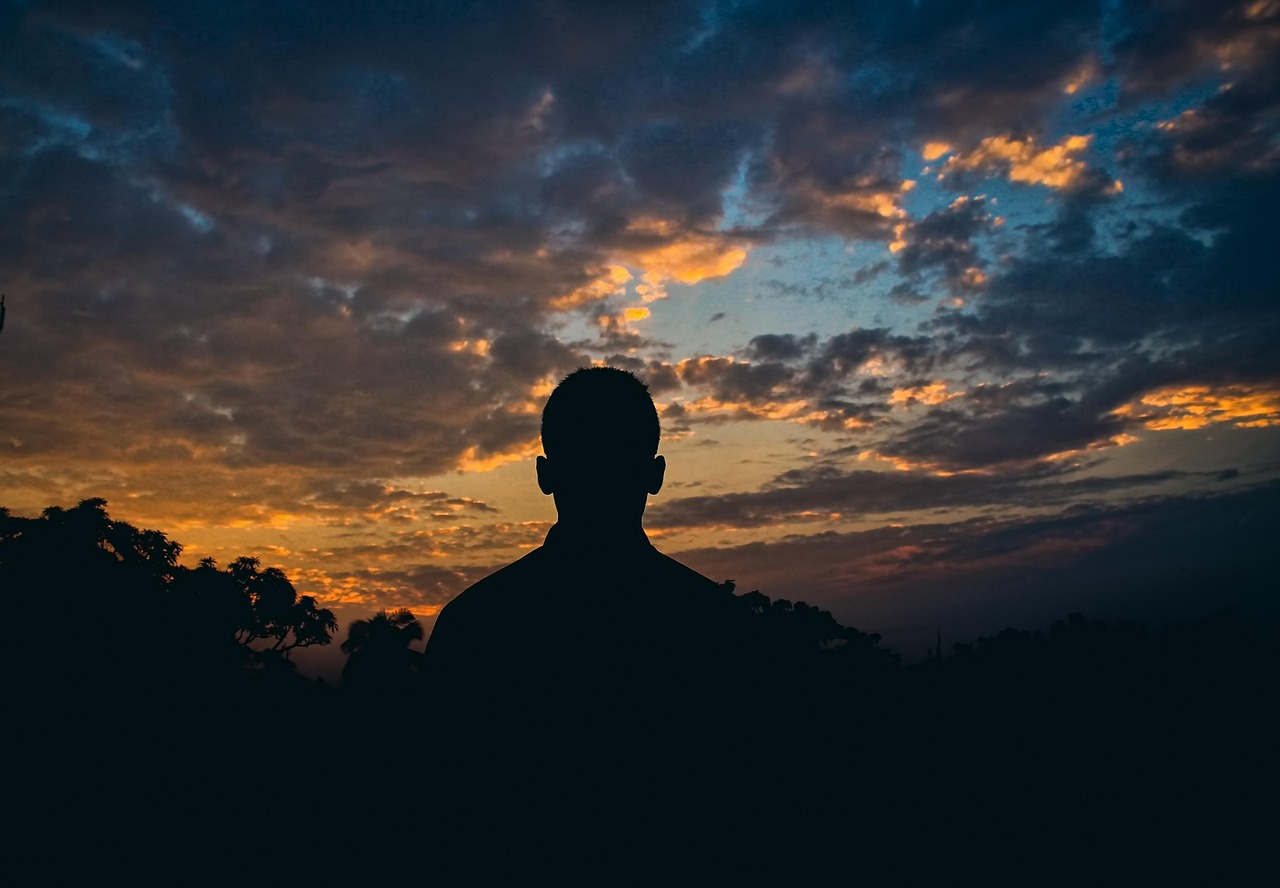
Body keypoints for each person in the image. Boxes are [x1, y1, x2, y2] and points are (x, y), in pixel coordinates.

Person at [422, 367, 762, 870]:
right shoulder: (722, 630)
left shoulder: (475, 625)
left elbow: (440, 812)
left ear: (544, 475)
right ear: (656, 474)